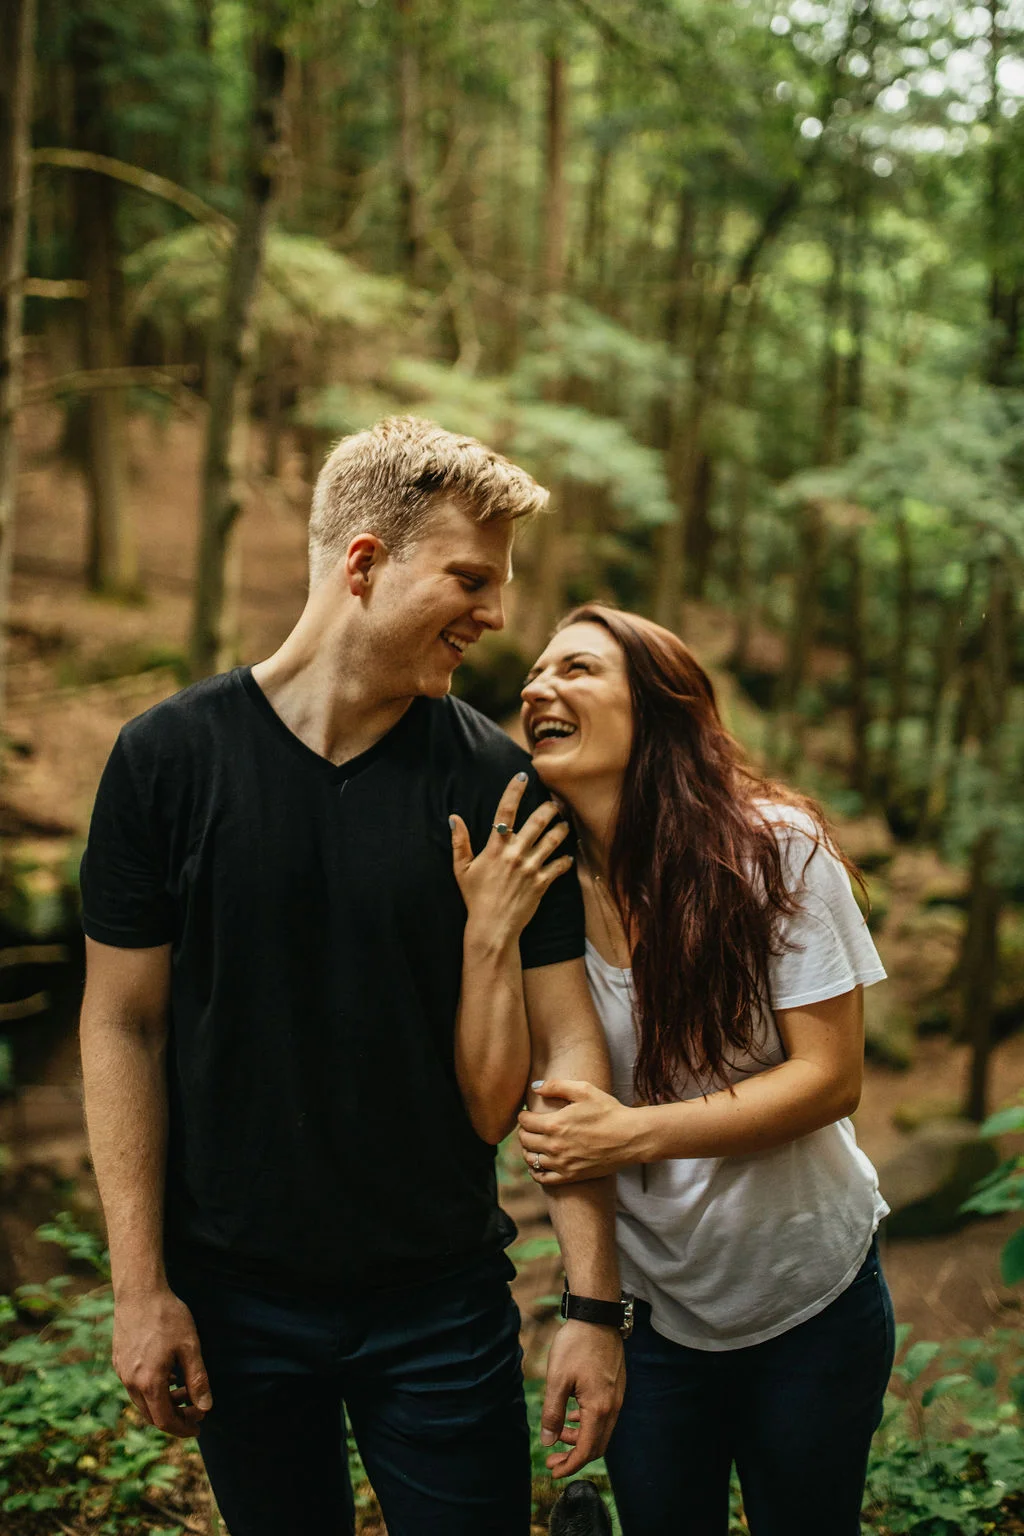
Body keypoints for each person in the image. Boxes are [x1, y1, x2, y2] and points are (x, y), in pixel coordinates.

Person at [78, 420, 625, 1536]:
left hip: (440, 1302)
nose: (497, 615)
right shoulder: (165, 760)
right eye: (469, 577)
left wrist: (590, 1304)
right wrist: (141, 1287)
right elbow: (121, 1027)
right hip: (233, 1300)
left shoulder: (500, 781)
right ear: (364, 564)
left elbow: (567, 1049)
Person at [463, 603, 894, 1536]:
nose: (538, 687)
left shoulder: (775, 851)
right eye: (534, 675)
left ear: (657, 709)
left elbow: (829, 1079)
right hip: (654, 1319)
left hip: (809, 1297)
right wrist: (595, 1310)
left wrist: (634, 1131)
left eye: (577, 669)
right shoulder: (543, 892)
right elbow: (552, 1113)